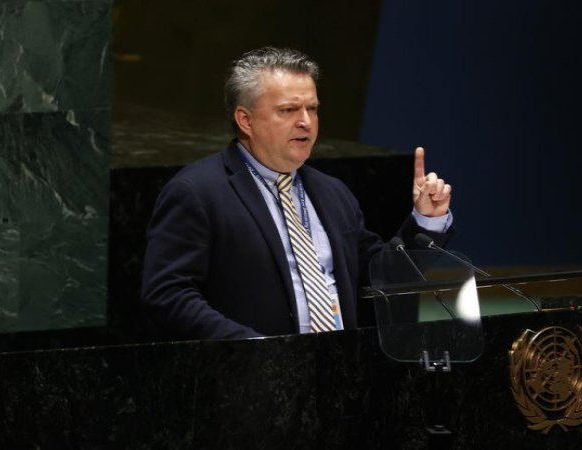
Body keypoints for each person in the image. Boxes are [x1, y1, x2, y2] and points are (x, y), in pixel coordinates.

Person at [141, 47, 453, 340]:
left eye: (312, 109)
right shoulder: (198, 192)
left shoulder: (332, 192)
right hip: (252, 371)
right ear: (245, 120)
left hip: (339, 366)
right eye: (288, 110)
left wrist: (426, 220)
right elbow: (168, 295)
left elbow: (381, 278)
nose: (305, 122)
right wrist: (254, 349)